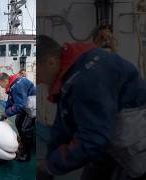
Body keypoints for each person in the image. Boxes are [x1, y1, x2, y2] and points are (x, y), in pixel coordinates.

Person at [36, 35, 146, 180]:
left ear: (51, 62)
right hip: (108, 136)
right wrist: (51, 156)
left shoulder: (86, 81)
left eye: (37, 74)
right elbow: (63, 123)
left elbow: (93, 138)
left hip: (133, 146)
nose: (37, 81)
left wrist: (51, 166)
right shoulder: (73, 69)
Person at [0, 72, 35, 161]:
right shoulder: (13, 83)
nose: (1, 87)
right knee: (18, 122)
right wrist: (5, 112)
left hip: (34, 105)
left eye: (0, 84)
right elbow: (10, 101)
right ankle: (24, 143)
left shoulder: (17, 86)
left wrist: (7, 113)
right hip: (26, 103)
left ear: (4, 81)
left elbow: (20, 105)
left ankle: (26, 154)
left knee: (26, 129)